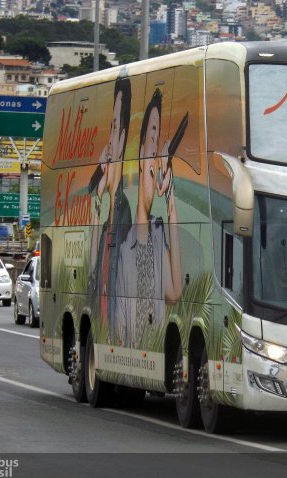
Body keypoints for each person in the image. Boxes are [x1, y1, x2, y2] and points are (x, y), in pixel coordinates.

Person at [116, 89, 183, 347]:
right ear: (142, 152)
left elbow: (174, 292)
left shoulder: (157, 236)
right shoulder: (123, 246)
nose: (156, 158)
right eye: (152, 143)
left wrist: (170, 200)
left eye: (159, 149)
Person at [89, 72, 132, 338]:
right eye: (110, 127)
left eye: (115, 128)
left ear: (123, 137)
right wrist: (98, 205)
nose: (109, 140)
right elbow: (93, 271)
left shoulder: (125, 211)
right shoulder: (105, 207)